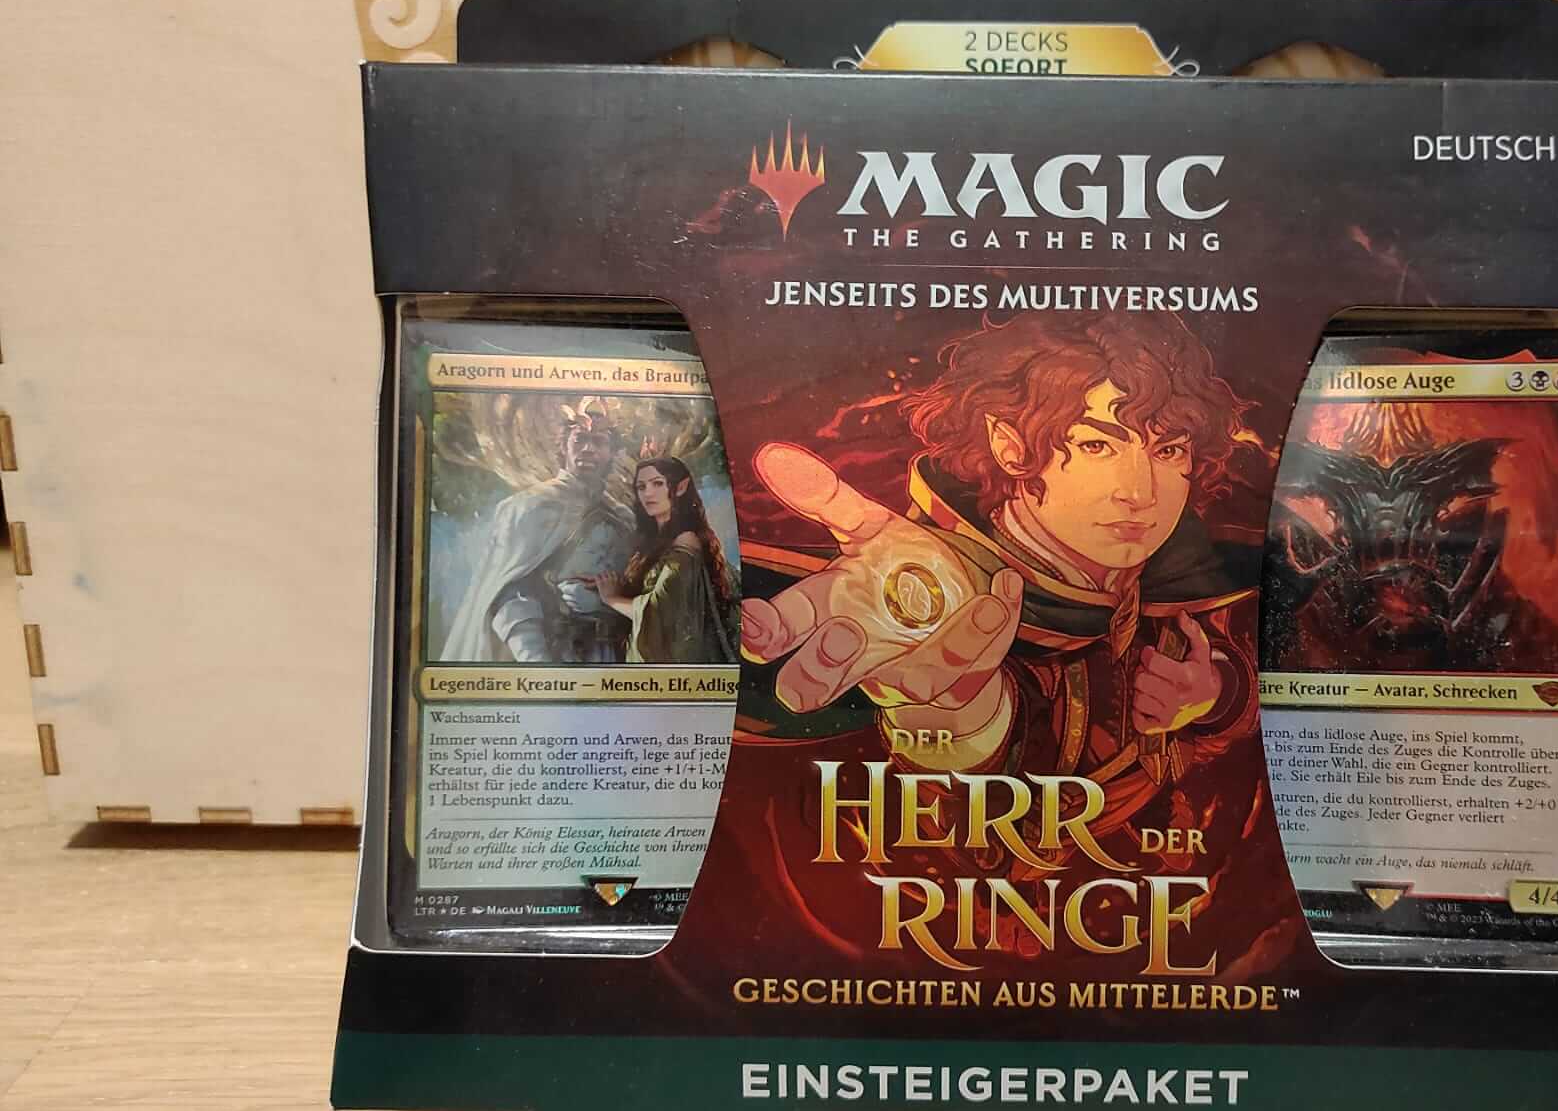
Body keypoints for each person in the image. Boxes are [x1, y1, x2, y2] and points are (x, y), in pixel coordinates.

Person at [741, 313, 1261, 841]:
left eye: (1167, 450)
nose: (1141, 492)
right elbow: (986, 739)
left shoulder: (1191, 570)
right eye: (1096, 445)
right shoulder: (947, 583)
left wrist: (1217, 692)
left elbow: (1238, 668)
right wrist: (954, 723)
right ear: (1011, 447)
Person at [439, 398, 635, 663]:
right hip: (553, 653)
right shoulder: (528, 507)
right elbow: (510, 595)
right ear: (564, 447)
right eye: (579, 440)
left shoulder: (623, 517)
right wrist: (536, 661)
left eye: (599, 441)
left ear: (612, 452)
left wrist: (606, 604)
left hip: (613, 653)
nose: (588, 449)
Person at [592, 452, 739, 664]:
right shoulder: (655, 540)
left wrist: (611, 598)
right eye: (641, 487)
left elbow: (659, 613)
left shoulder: (685, 541)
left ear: (680, 487)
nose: (648, 493)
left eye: (658, 483)